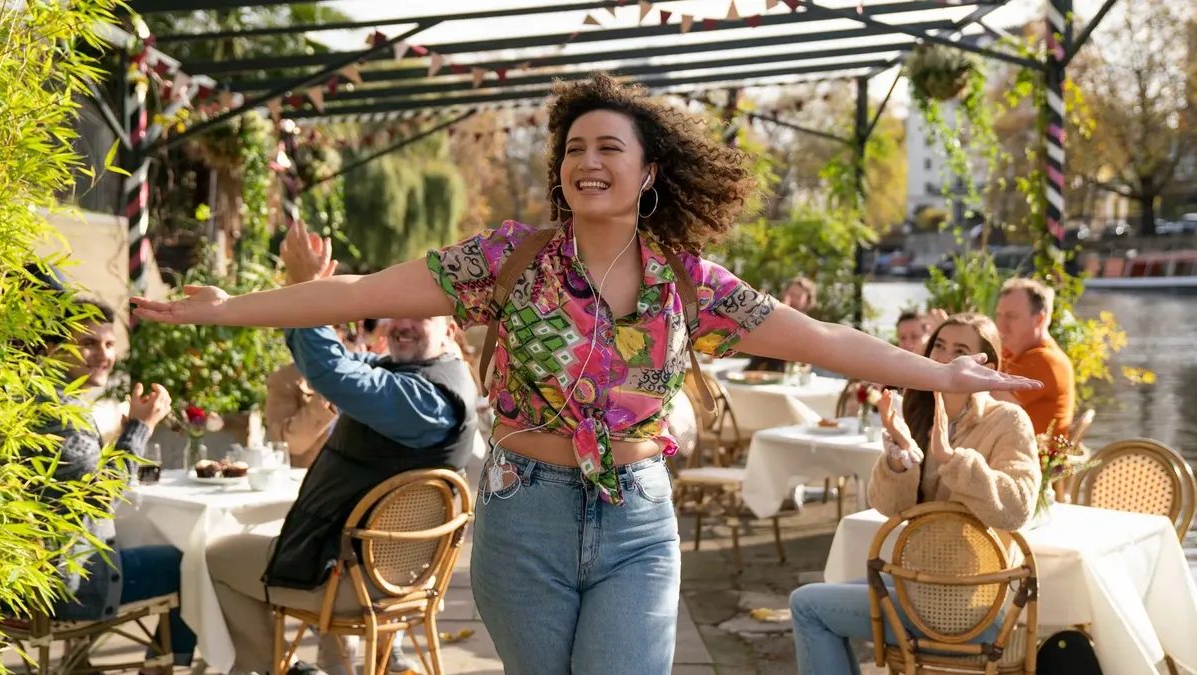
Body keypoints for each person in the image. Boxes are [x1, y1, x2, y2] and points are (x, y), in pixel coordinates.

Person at [131, 73, 1039, 675]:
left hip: (638, 519)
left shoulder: (689, 280)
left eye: (609, 147)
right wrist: (222, 307)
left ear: (648, 174)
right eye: (573, 148)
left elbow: (823, 338)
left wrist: (944, 375)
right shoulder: (509, 260)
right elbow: (354, 292)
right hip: (524, 514)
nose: (587, 161)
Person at [204, 225, 477, 675]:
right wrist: (312, 296)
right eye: (395, 313)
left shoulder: (426, 400)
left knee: (211, 556)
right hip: (374, 568)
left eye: (419, 316)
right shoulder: (424, 375)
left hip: (356, 577)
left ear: (450, 331)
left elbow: (334, 374)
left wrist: (304, 288)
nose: (402, 324)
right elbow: (344, 363)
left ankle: (269, 667)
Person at [788, 313, 1041, 674]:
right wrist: (900, 459)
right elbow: (888, 507)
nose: (946, 359)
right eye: (939, 346)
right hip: (922, 586)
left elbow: (1017, 508)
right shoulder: (918, 410)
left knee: (807, 605)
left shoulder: (1008, 421)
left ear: (988, 369)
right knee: (818, 599)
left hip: (973, 604)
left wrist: (952, 459)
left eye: (961, 351)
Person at [31, 298, 196, 668]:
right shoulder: (59, 414)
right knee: (193, 563)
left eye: (109, 344)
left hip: (30, 579)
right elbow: (101, 497)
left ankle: (79, 664)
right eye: (88, 343)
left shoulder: (36, 400)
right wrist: (141, 427)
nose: (103, 355)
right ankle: (162, 668)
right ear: (52, 348)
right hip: (67, 586)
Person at [994, 278, 1075, 435]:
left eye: (1012, 316)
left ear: (1039, 320)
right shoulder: (1013, 350)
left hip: (1033, 450)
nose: (1000, 325)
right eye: (999, 315)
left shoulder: (1045, 360)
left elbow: (984, 402)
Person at [745, 276, 818, 372]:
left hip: (787, 370)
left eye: (798, 297)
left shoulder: (806, 324)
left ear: (807, 300)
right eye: (791, 294)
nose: (793, 299)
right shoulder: (771, 312)